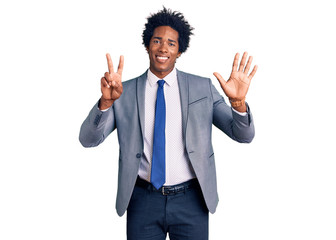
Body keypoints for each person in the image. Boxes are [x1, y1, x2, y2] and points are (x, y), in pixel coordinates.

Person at [79, 7, 257, 240]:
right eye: (157, 41)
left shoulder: (202, 88)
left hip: (191, 200)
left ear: (179, 51)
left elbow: (243, 135)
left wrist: (238, 102)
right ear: (147, 46)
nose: (163, 48)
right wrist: (105, 102)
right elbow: (87, 140)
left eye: (171, 43)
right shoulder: (124, 92)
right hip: (142, 199)